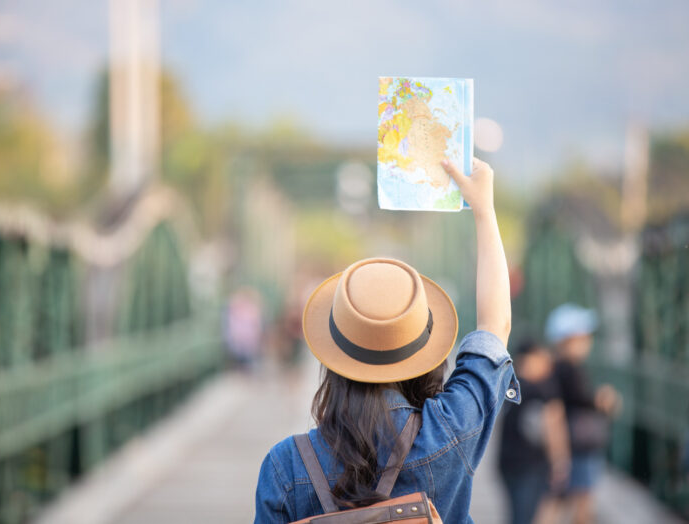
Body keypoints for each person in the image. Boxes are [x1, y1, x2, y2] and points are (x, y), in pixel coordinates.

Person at [254, 157, 520, 523]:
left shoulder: (285, 466)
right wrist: (484, 211)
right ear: (424, 352)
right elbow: (495, 327)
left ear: (334, 356)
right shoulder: (450, 430)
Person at [545, 304, 621, 524]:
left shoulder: (559, 366)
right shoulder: (568, 368)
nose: (588, 341)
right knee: (581, 500)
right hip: (577, 443)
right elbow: (583, 399)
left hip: (570, 442)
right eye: (583, 336)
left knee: (563, 499)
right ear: (568, 340)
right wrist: (604, 400)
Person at [498, 339, 569, 524]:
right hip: (531, 465)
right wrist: (560, 462)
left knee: (517, 515)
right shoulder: (544, 389)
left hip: (507, 463)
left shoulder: (509, 385)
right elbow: (552, 426)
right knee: (526, 516)